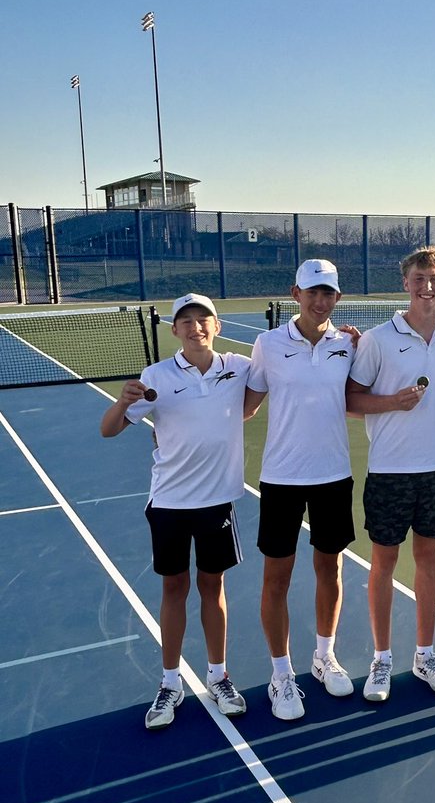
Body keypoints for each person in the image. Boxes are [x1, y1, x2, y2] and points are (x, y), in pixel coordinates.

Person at [100, 293, 251, 730]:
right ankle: (170, 683)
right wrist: (122, 402)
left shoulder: (237, 367)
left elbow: (271, 380)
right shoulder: (156, 377)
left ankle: (218, 676)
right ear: (175, 331)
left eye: (203, 318)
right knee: (173, 588)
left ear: (217, 326)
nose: (195, 326)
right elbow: (108, 430)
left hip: (216, 501)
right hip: (168, 502)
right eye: (186, 321)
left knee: (212, 587)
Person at [243, 259, 357, 720]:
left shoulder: (349, 344)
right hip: (282, 479)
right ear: (295, 293)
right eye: (312, 292)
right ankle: (281, 674)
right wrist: (175, 428)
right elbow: (245, 406)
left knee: (330, 570)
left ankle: (323, 655)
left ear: (337, 298)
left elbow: (363, 395)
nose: (319, 300)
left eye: (327, 292)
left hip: (333, 475)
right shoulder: (268, 345)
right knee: (277, 579)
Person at [346, 246, 435, 703]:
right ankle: (381, 659)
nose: (426, 287)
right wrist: (392, 402)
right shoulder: (377, 339)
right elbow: (351, 399)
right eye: (419, 279)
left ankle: (426, 654)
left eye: (434, 279)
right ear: (406, 284)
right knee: (385, 564)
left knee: (429, 563)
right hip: (391, 471)